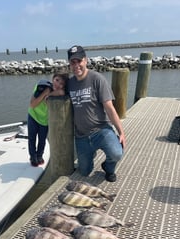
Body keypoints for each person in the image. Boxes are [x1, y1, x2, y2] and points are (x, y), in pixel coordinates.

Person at [67, 45, 126, 182]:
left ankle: (108, 167)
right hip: (81, 136)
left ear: (85, 60)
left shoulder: (97, 79)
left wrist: (121, 132)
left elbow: (110, 108)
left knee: (117, 153)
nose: (76, 65)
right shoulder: (69, 83)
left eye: (79, 61)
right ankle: (89, 153)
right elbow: (56, 90)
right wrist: (46, 94)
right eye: (72, 62)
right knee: (84, 172)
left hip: (101, 130)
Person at [27, 72, 68, 166]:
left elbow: (61, 92)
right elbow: (32, 104)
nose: (58, 84)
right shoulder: (41, 86)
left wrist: (50, 95)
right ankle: (33, 157)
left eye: (61, 83)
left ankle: (39, 155)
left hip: (44, 120)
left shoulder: (59, 92)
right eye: (57, 80)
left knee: (42, 139)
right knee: (32, 138)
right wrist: (45, 93)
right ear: (53, 79)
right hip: (33, 115)